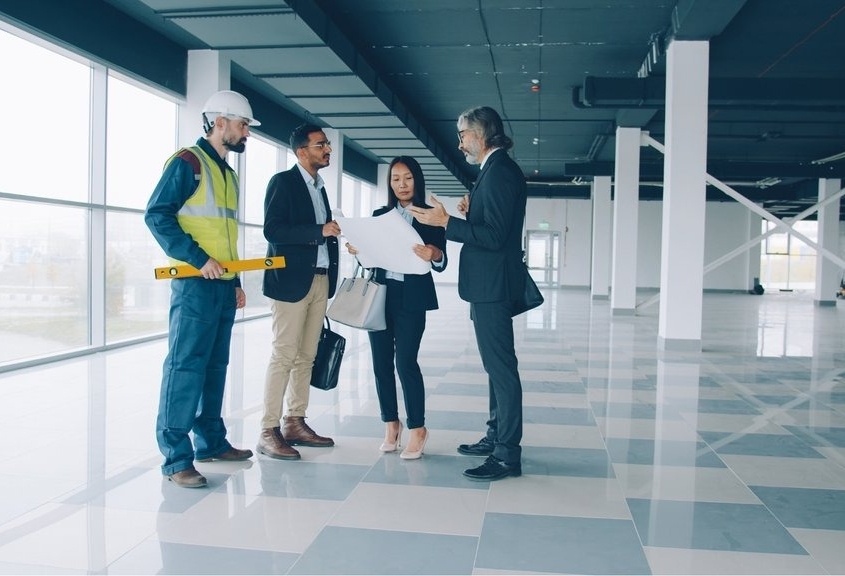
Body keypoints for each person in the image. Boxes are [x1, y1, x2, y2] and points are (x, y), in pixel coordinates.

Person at [145, 90, 259, 488]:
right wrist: (197, 259)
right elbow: (157, 215)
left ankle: (211, 441)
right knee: (185, 368)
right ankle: (176, 459)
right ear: (221, 122)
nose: (247, 133)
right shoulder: (188, 163)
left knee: (214, 366)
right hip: (194, 285)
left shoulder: (227, 172)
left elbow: (225, 235)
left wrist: (237, 281)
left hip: (222, 286)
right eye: (244, 125)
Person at [409, 106, 526, 481]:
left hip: (493, 286)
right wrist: (470, 212)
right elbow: (493, 226)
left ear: (479, 135)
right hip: (487, 285)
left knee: (502, 370)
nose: (459, 143)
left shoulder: (501, 172)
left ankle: (507, 454)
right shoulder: (492, 172)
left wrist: (448, 223)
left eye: (462, 135)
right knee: (496, 368)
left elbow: (494, 238)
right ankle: (496, 437)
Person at [345, 156, 448, 459]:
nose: (401, 184)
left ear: (417, 180)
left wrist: (434, 253)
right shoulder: (380, 214)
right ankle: (391, 424)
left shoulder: (431, 215)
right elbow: (370, 259)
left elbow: (441, 260)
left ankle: (418, 428)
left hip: (411, 296)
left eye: (407, 178)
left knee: (405, 362)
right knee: (380, 364)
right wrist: (359, 251)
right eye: (395, 179)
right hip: (380, 294)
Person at [258, 124, 340, 460]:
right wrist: (319, 230)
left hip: (319, 278)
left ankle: (295, 420)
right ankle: (268, 429)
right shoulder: (283, 182)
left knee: (307, 355)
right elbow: (272, 229)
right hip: (290, 282)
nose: (327, 149)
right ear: (302, 151)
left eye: (327, 144)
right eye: (321, 144)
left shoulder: (320, 189)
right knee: (284, 355)